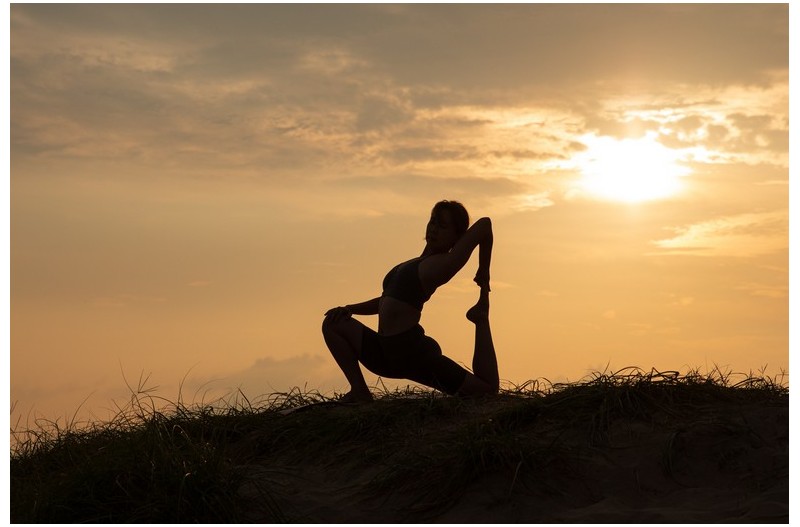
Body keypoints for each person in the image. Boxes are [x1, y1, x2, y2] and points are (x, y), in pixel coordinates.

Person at [322, 200, 498, 402]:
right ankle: (360, 391)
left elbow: (485, 225)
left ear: (457, 237)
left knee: (486, 390)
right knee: (333, 324)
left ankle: (481, 319)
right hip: (384, 352)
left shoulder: (444, 264)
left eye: (442, 226)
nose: (433, 229)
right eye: (432, 222)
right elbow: (387, 301)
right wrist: (349, 309)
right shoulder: (414, 262)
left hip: (412, 355)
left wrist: (484, 274)